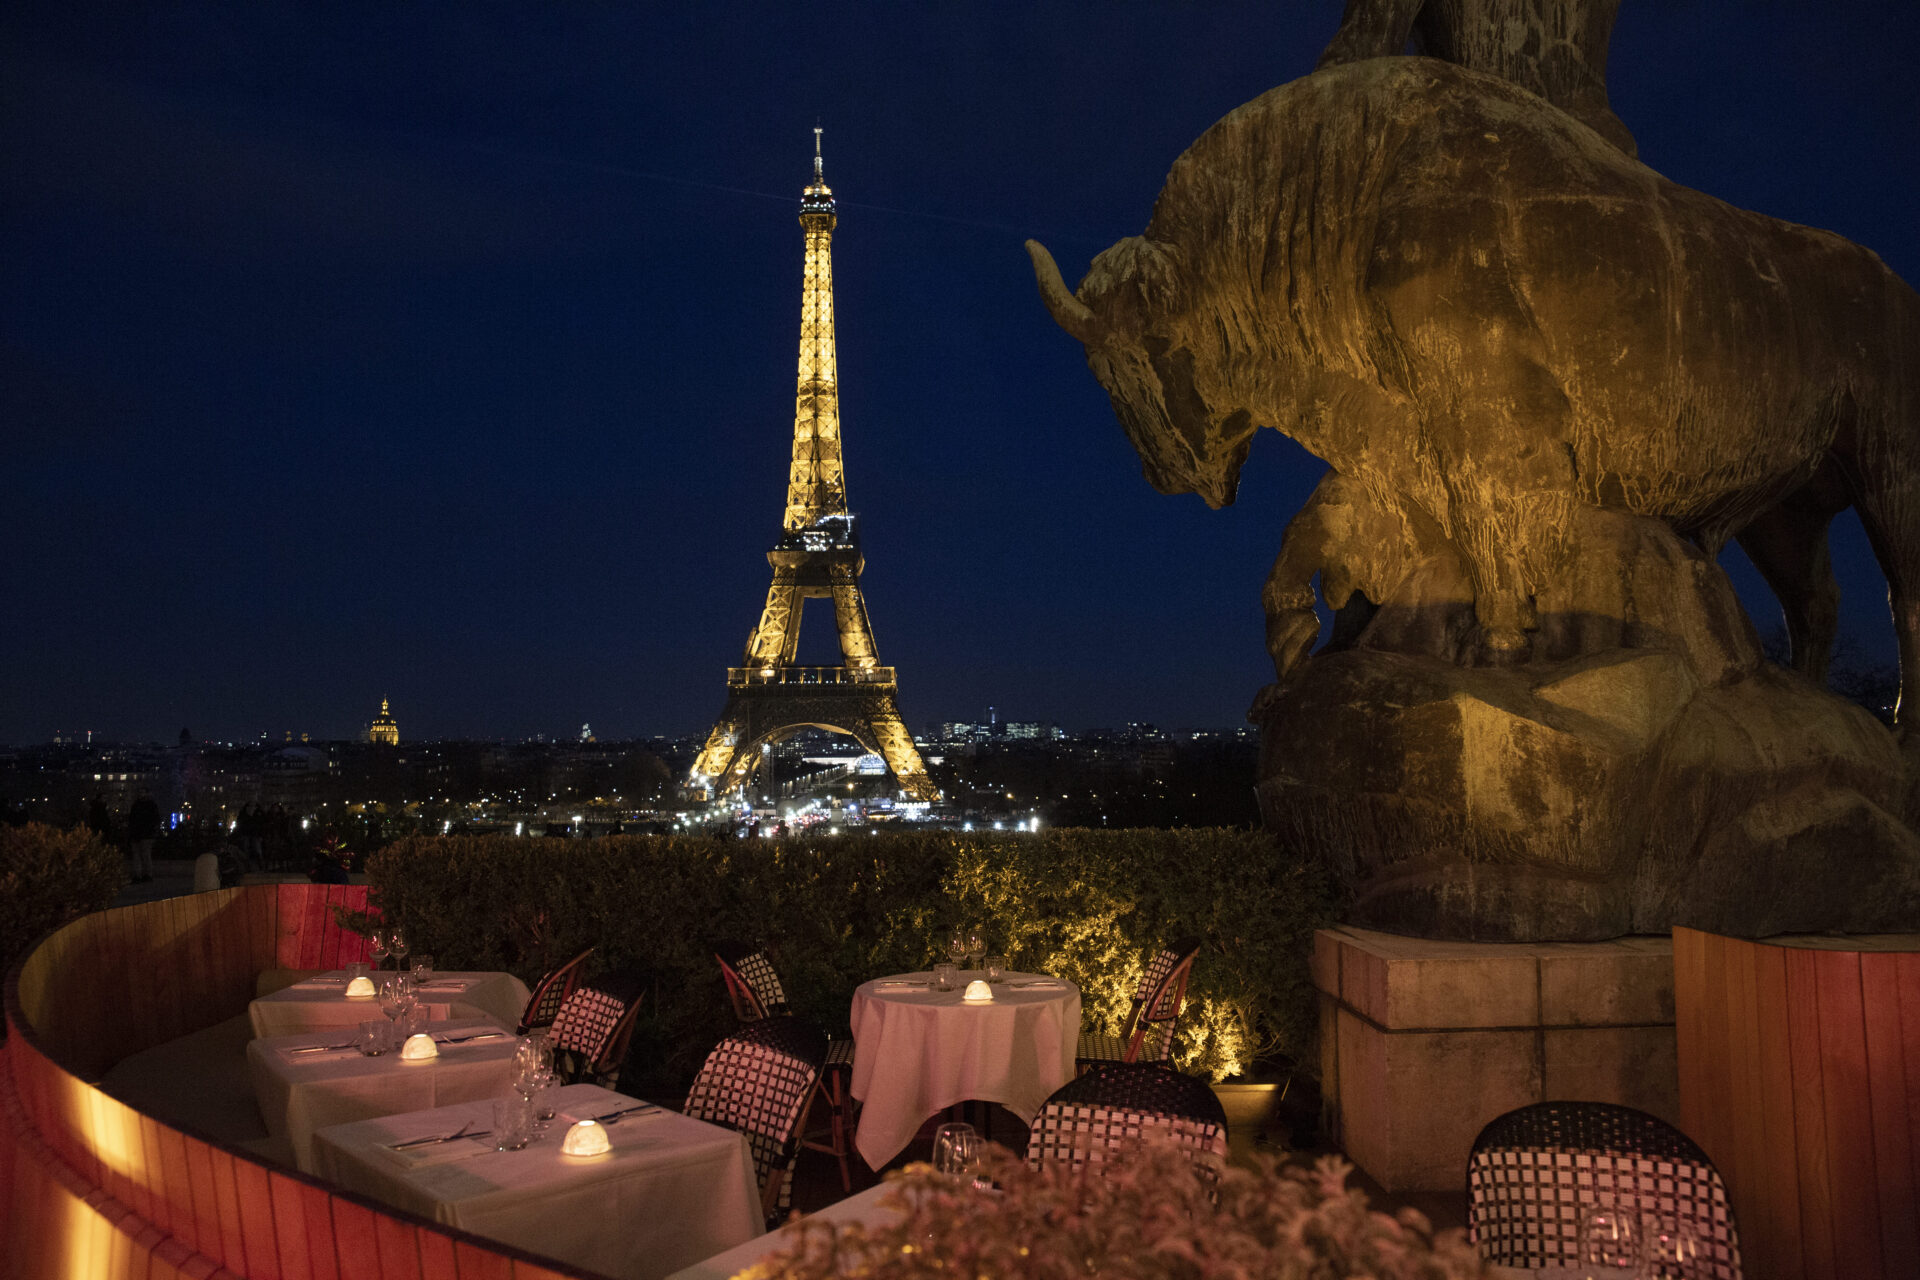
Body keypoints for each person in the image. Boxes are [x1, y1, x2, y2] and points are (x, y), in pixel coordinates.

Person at [127, 792, 161, 884]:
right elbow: (156, 819)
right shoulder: (151, 806)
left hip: (139, 834)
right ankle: (146, 875)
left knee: (138, 856)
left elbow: (131, 820)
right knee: (145, 856)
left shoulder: (136, 806)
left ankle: (139, 875)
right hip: (146, 834)